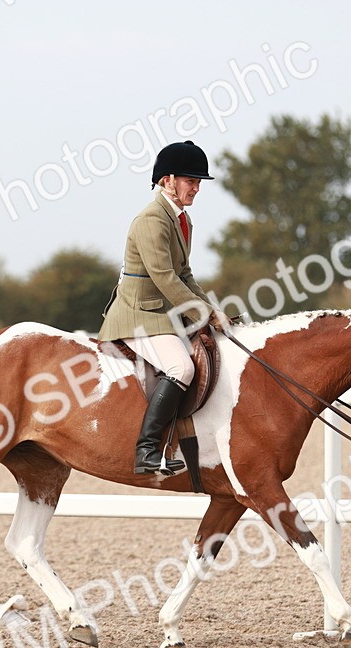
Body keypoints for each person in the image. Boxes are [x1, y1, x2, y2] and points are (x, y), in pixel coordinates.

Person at [98, 141, 230, 476]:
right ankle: (146, 450)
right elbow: (165, 278)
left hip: (163, 315)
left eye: (198, 182)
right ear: (167, 180)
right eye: (190, 181)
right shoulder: (152, 220)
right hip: (138, 315)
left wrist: (211, 309)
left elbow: (185, 275)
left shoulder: (182, 220)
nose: (196, 188)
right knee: (181, 368)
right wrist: (204, 314)